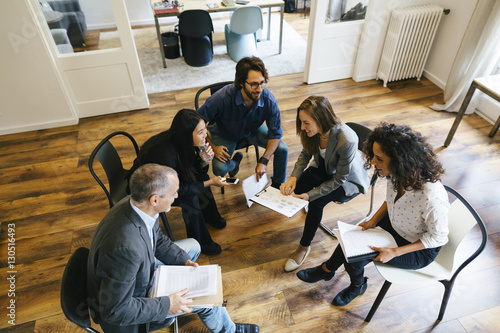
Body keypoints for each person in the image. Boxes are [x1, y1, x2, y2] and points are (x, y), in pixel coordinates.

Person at [88, 164, 260, 333]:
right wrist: (168, 305)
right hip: (131, 309)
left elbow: (158, 240)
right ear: (155, 199)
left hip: (136, 272)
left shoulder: (138, 204)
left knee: (193, 246)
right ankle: (229, 331)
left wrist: (183, 261)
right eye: (173, 193)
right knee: (206, 301)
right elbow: (114, 311)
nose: (177, 196)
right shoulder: (126, 251)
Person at [296, 123, 450, 306]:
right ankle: (327, 269)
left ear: (400, 160)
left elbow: (438, 238)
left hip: (417, 247)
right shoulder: (397, 173)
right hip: (396, 225)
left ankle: (356, 285)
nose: (373, 163)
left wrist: (395, 252)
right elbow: (391, 202)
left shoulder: (431, 197)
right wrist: (373, 220)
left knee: (355, 259)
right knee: (351, 237)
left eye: (379, 158)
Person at [279, 96, 370, 272]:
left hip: (347, 180)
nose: (303, 127)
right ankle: (305, 207)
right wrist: (293, 177)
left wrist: (311, 195)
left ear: (320, 119)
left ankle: (304, 247)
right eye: (301, 122)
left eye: (306, 123)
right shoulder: (314, 132)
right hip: (327, 166)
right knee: (301, 184)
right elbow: (305, 155)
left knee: (316, 201)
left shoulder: (347, 139)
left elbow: (339, 179)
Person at [127, 109, 226, 256]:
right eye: (200, 133)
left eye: (205, 130)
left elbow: (195, 173)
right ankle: (200, 242)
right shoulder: (166, 156)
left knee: (203, 180)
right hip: (148, 188)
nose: (206, 135)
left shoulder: (182, 143)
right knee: (191, 198)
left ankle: (211, 217)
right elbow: (178, 191)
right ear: (187, 134)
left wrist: (204, 162)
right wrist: (210, 182)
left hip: (166, 179)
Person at [197, 56, 288, 188]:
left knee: (282, 149)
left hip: (253, 130)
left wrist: (264, 160)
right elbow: (196, 124)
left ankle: (278, 186)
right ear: (240, 82)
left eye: (262, 82)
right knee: (220, 169)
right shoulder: (221, 97)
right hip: (225, 133)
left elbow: (276, 134)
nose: (259, 89)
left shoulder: (269, 100)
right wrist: (213, 147)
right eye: (253, 84)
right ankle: (234, 164)